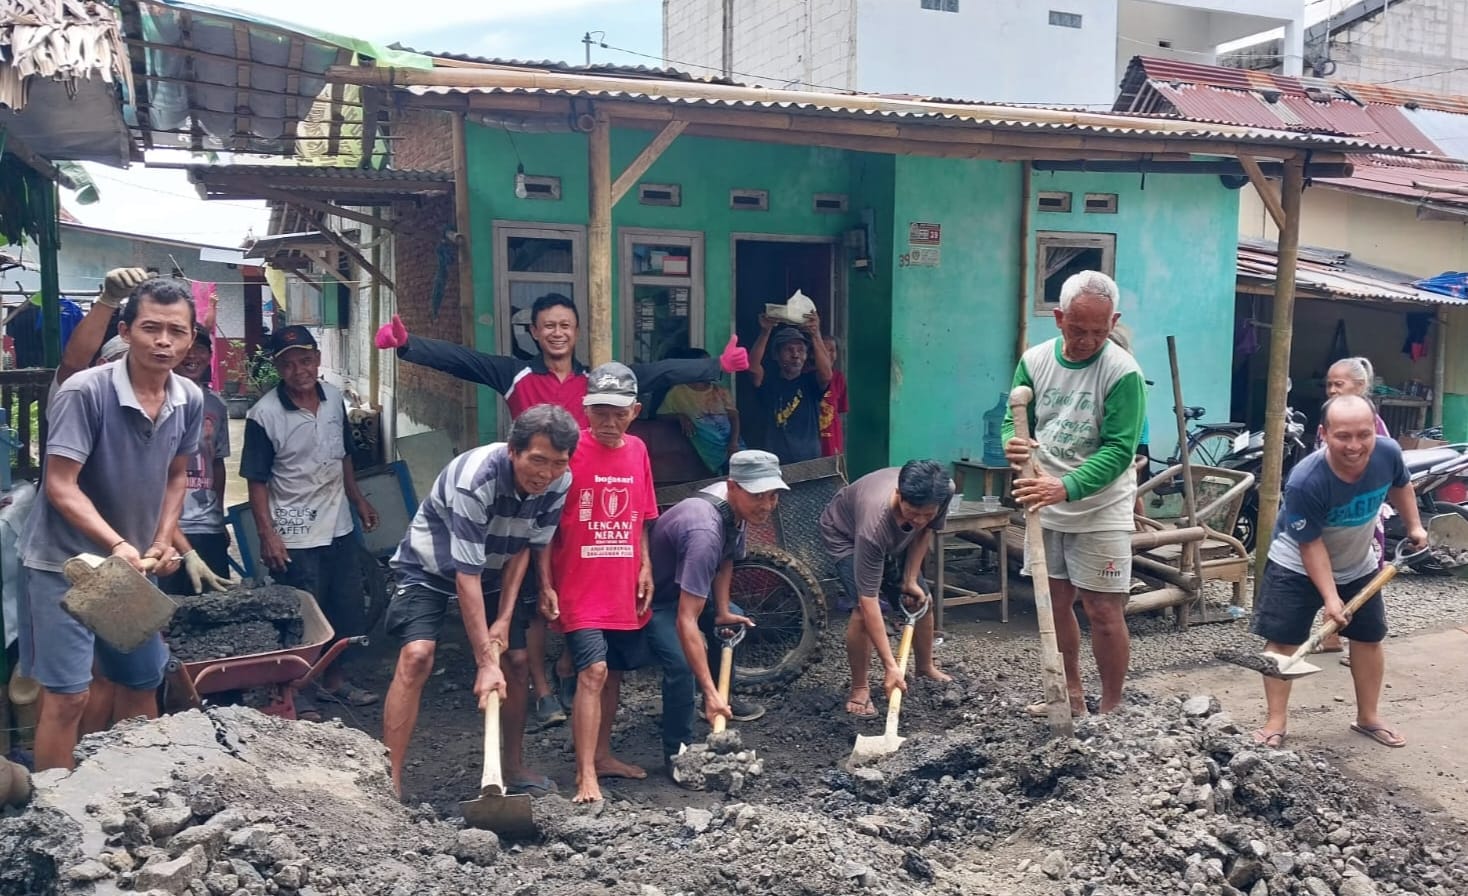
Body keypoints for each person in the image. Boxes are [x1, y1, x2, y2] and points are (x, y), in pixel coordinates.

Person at [375, 294, 750, 728]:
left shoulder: (596, 381)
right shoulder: (515, 374)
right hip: (535, 502)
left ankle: (570, 666)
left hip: (588, 509)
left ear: (576, 331)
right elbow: (465, 361)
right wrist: (409, 346)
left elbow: (654, 373)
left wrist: (716, 366)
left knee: (581, 599)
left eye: (565, 325)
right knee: (536, 603)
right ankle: (543, 691)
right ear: (534, 332)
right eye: (548, 325)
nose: (557, 332)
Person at [16, 276, 202, 771]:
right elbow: (60, 485)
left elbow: (177, 476)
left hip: (127, 571)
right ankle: (55, 816)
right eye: (151, 328)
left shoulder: (187, 397)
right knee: (68, 697)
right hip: (64, 564)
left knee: (142, 683)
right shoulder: (85, 392)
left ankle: (133, 795)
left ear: (190, 338)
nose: (164, 341)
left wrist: (163, 541)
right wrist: (119, 542)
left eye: (176, 332)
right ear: (125, 331)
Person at [381, 404, 578, 798]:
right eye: (537, 460)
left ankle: (512, 768)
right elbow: (464, 576)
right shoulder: (477, 479)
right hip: (430, 567)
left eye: (558, 463)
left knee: (518, 662)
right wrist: (485, 663)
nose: (546, 473)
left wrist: (505, 617)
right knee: (418, 655)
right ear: (513, 450)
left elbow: (524, 545)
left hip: (496, 567)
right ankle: (389, 782)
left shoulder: (560, 481)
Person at [1003, 270, 1145, 715]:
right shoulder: (1035, 360)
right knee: (1054, 603)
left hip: (1100, 506)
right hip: (1043, 502)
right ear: (1059, 317)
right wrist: (1013, 443)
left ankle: (1112, 707)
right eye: (1078, 328)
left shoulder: (1123, 373)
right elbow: (1016, 416)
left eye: (1099, 331)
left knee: (1103, 610)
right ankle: (1071, 697)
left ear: (1113, 321)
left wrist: (1065, 486)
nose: (1087, 340)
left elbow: (1121, 449)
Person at [1251, 394, 1425, 750]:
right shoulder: (1306, 481)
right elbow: (1310, 545)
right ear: (1324, 434)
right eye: (1343, 436)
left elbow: (1401, 484)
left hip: (1358, 562)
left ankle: (1368, 717)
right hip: (1296, 565)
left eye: (1363, 434)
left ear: (1374, 430)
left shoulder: (1388, 453)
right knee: (1284, 641)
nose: (1355, 445)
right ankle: (1275, 722)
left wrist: (1414, 527)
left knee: (1368, 638)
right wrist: (1331, 598)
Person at [240, 326, 380, 719]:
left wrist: (357, 498)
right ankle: (296, 691)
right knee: (301, 616)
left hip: (338, 524)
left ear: (317, 359)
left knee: (345, 608)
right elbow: (257, 480)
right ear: (278, 369)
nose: (298, 369)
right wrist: (268, 535)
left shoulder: (333, 398)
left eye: (305, 360)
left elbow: (344, 457)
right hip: (295, 529)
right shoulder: (264, 415)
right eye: (288, 363)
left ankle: (335, 681)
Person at [539, 363, 659, 803]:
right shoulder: (567, 453)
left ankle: (603, 755)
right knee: (594, 670)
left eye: (618, 413)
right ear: (585, 410)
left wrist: (645, 566)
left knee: (614, 677)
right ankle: (585, 774)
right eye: (600, 412)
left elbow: (643, 516)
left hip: (623, 585)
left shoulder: (639, 451)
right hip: (579, 585)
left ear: (635, 412)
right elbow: (544, 525)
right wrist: (545, 583)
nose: (608, 422)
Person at [645, 450, 783, 771]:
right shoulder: (705, 531)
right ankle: (678, 752)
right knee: (680, 665)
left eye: (773, 496)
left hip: (689, 591)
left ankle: (725, 699)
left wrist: (721, 610)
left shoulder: (734, 507)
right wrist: (707, 690)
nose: (766, 505)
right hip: (658, 600)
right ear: (733, 486)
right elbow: (686, 619)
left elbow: (726, 559)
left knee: (732, 621)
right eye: (758, 496)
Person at [820, 460, 955, 717]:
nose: (919, 519)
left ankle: (925, 667)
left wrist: (910, 579)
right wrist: (891, 666)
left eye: (927, 513)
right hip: (845, 534)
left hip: (894, 536)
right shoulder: (874, 524)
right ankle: (859, 687)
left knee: (921, 600)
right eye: (913, 512)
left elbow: (925, 531)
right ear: (898, 494)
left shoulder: (943, 492)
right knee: (862, 612)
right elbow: (869, 601)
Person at [1315, 356, 1391, 661]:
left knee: (1362, 580)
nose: (1333, 389)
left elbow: (1381, 472)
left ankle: (1357, 640)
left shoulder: (1373, 426)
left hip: (1361, 516)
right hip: (1334, 517)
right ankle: (1332, 634)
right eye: (1329, 384)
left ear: (1359, 386)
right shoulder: (1330, 418)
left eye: (1339, 383)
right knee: (1329, 572)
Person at [158, 323, 233, 596]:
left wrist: (220, 517)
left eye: (200, 348)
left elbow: (217, 462)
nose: (192, 356)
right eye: (186, 349)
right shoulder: (156, 399)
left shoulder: (216, 405)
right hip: (166, 526)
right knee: (168, 608)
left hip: (207, 523)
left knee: (214, 603)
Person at [746, 312, 833, 464]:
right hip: (774, 462)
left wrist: (815, 334)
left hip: (809, 461)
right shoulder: (769, 382)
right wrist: (765, 332)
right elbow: (753, 368)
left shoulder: (810, 382)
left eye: (800, 350)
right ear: (776, 355)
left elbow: (826, 374)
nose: (795, 355)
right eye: (789, 350)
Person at [656, 348, 742, 475]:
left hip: (734, 448)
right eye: (705, 365)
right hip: (712, 454)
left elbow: (734, 417)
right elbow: (660, 416)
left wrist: (733, 442)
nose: (710, 368)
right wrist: (680, 416)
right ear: (693, 367)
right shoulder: (678, 392)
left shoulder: (720, 391)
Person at [818, 336, 848, 458]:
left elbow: (839, 411)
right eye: (824, 350)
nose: (828, 354)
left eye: (832, 350)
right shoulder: (807, 377)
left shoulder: (838, 378)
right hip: (813, 445)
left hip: (832, 444)